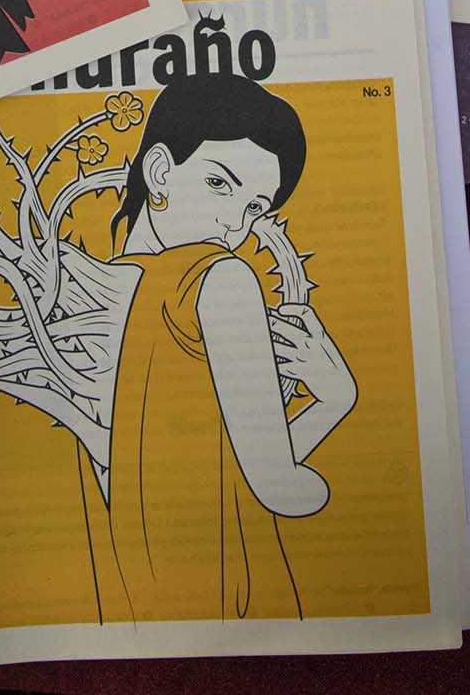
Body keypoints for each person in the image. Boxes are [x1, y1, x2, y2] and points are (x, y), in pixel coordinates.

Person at [82, 72, 357, 623]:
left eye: (255, 208)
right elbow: (279, 487)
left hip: (135, 599)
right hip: (234, 592)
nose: (235, 224)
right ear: (160, 171)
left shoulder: (102, 289)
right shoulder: (222, 278)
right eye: (219, 184)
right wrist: (335, 398)